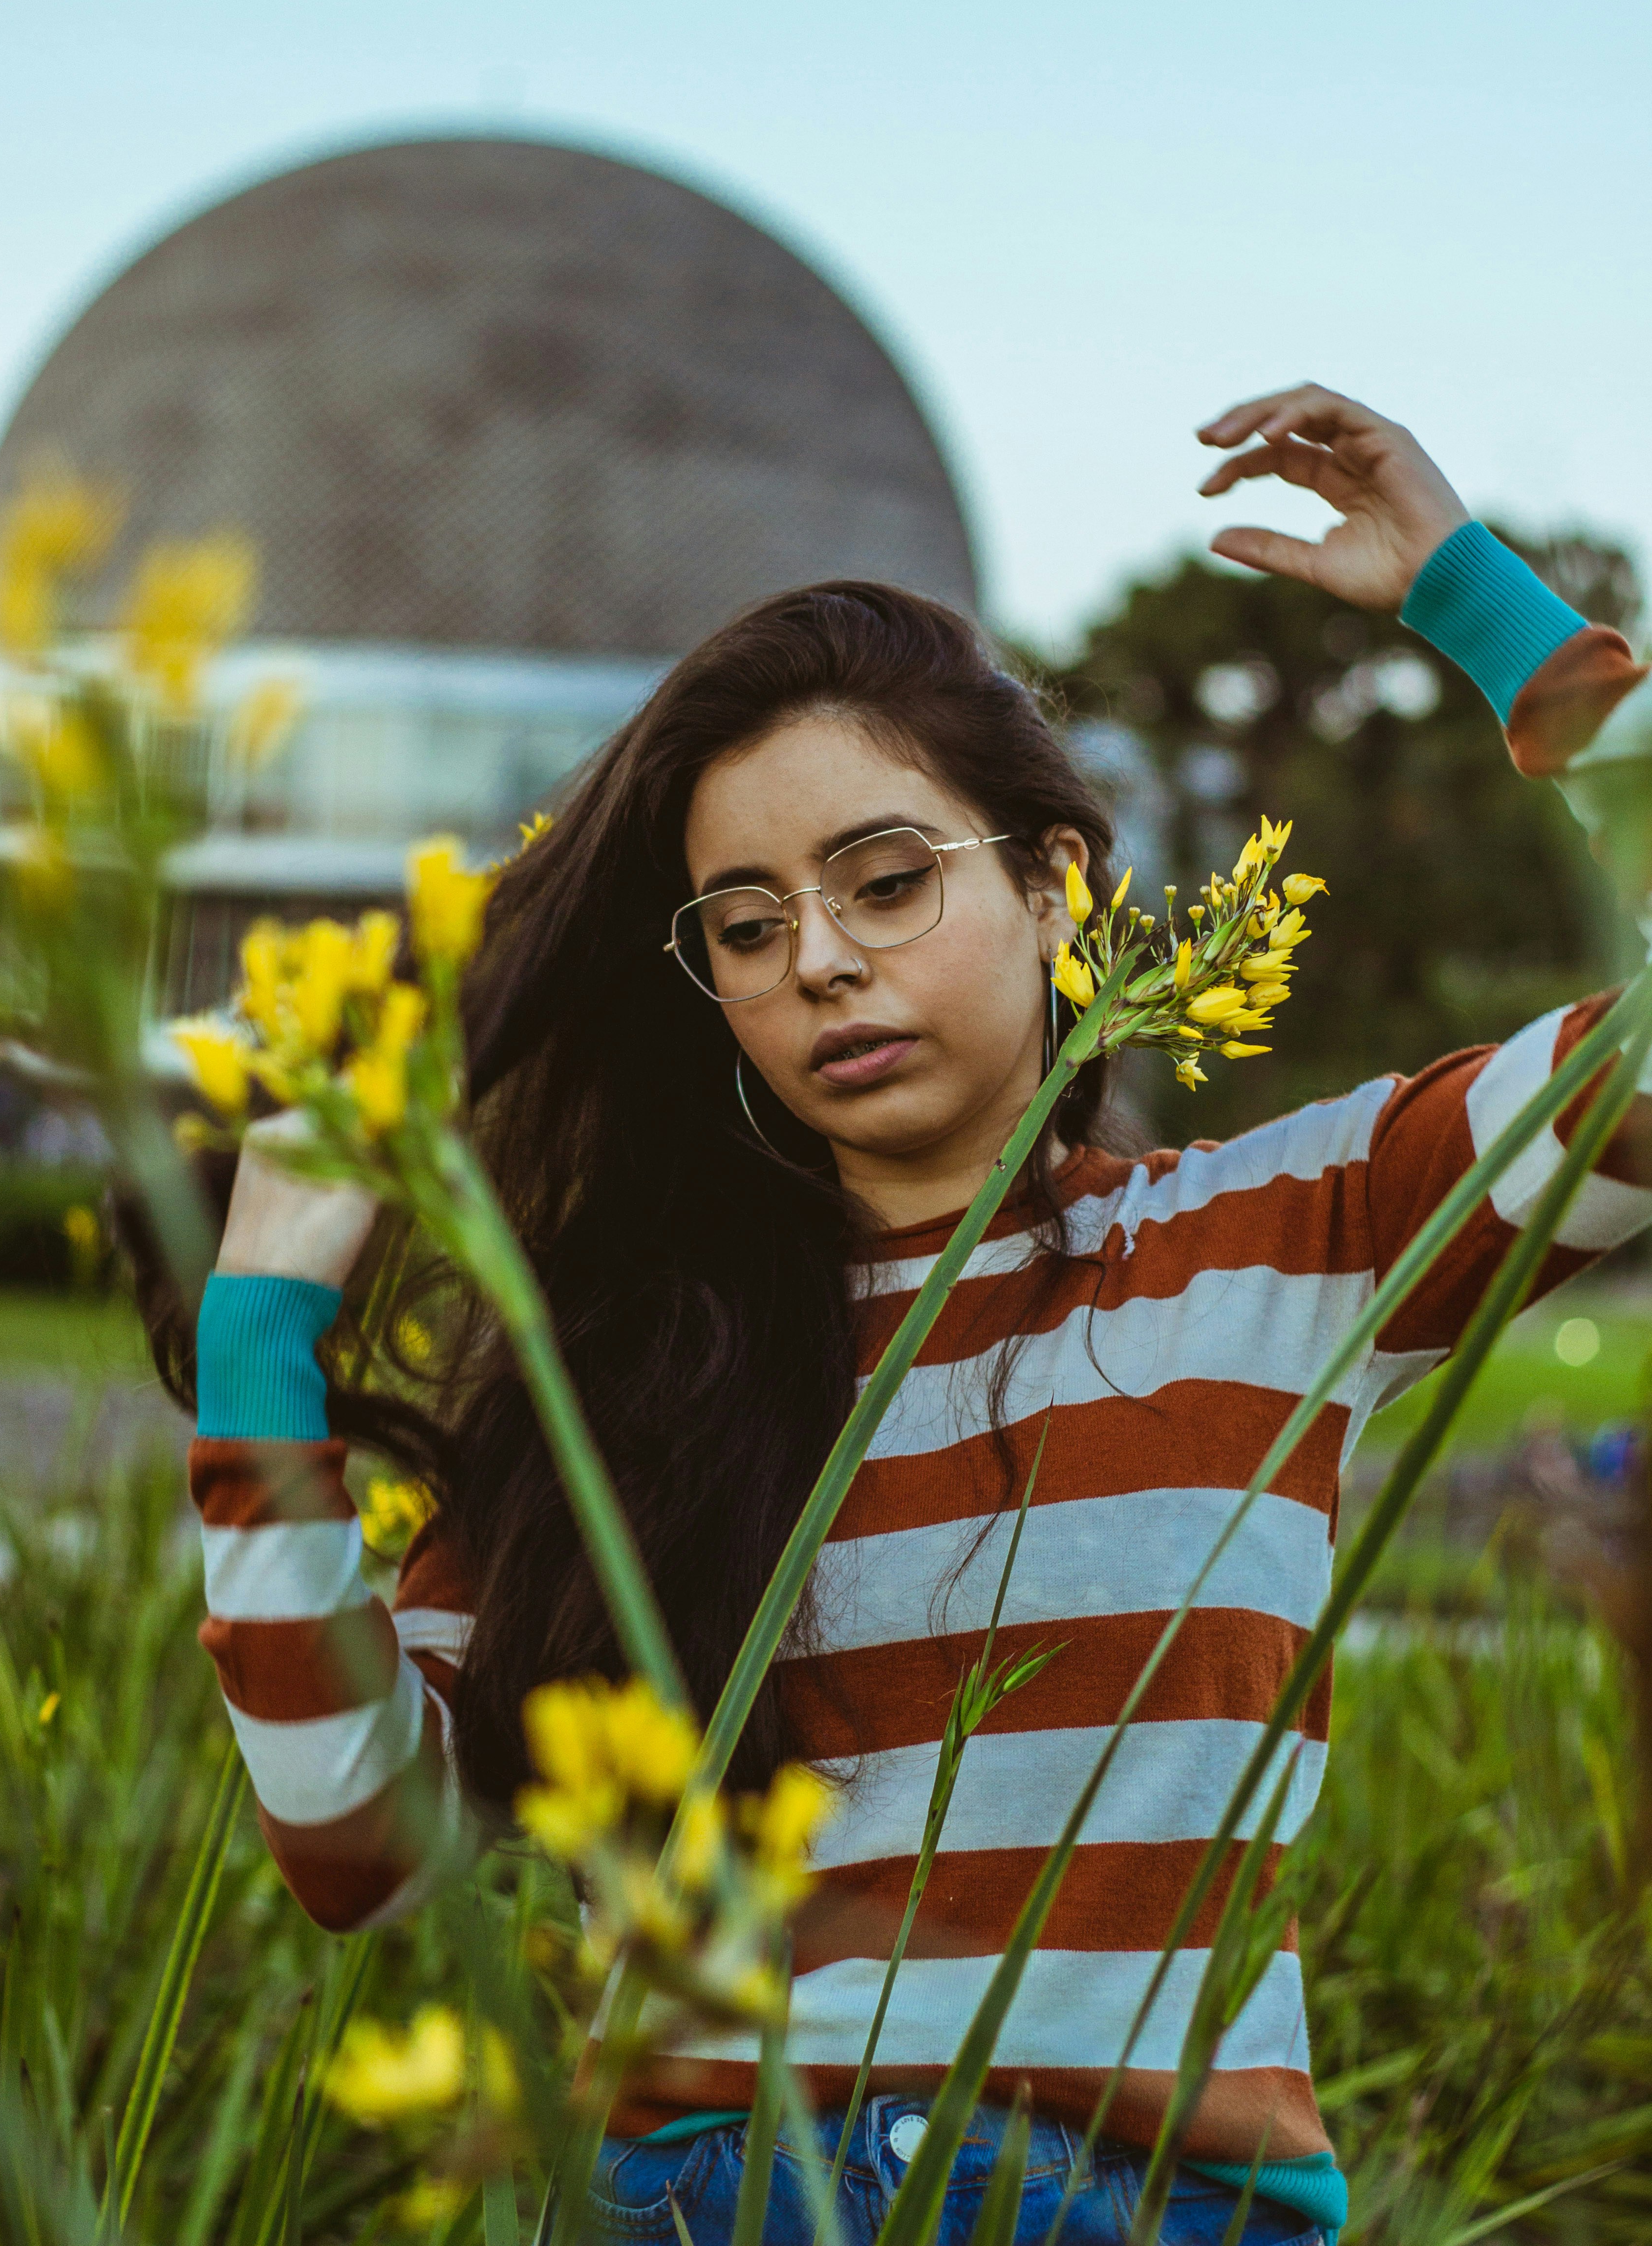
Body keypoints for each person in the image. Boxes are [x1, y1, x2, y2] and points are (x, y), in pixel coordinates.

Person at [167, 388, 1652, 2246]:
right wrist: (259, 1329)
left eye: (885, 880)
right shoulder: (625, 1362)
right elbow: (358, 1851)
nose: (826, 962)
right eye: (747, 924)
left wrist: (1479, 603)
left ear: (1053, 891)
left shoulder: (1300, 1232)